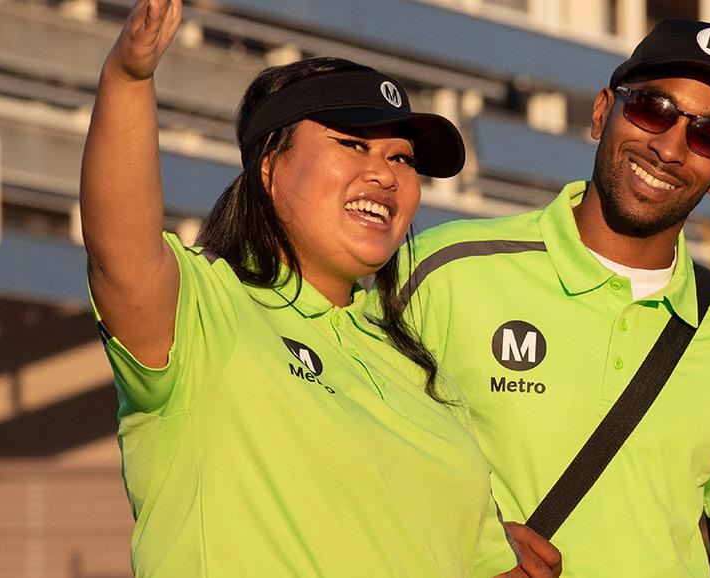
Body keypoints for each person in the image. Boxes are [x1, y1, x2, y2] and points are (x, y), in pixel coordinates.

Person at [80, 1, 558, 575]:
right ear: (269, 166)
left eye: (401, 158)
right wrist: (128, 77)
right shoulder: (207, 309)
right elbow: (119, 250)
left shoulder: (420, 373)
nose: (385, 174)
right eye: (352, 144)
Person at [383, 18, 710, 577]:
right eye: (653, 109)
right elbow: (350, 451)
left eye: (709, 135)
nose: (670, 147)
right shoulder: (443, 270)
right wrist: (470, 540)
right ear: (603, 112)